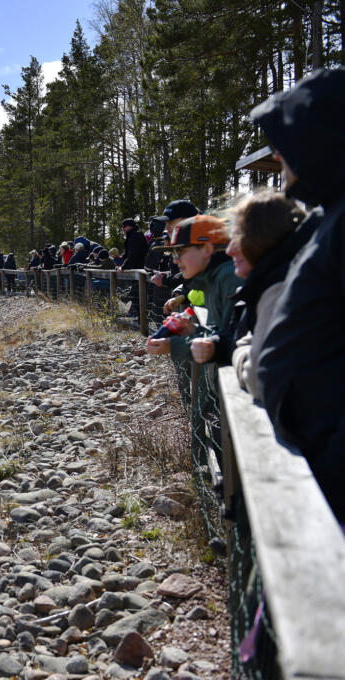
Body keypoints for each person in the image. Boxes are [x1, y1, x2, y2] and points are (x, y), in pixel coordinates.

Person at [252, 68, 345, 520]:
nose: (277, 156)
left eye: (285, 142)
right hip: (313, 460)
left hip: (330, 467)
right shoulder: (332, 219)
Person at [215, 192, 312, 400]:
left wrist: (238, 353)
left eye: (238, 238)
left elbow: (258, 376)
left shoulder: (279, 289)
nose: (229, 250)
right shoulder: (284, 277)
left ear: (263, 239)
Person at [145, 215, 241, 366]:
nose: (175, 260)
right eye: (173, 253)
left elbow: (236, 343)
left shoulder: (230, 278)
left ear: (207, 249)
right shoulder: (211, 279)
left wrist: (174, 345)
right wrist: (192, 330)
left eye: (180, 251)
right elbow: (221, 335)